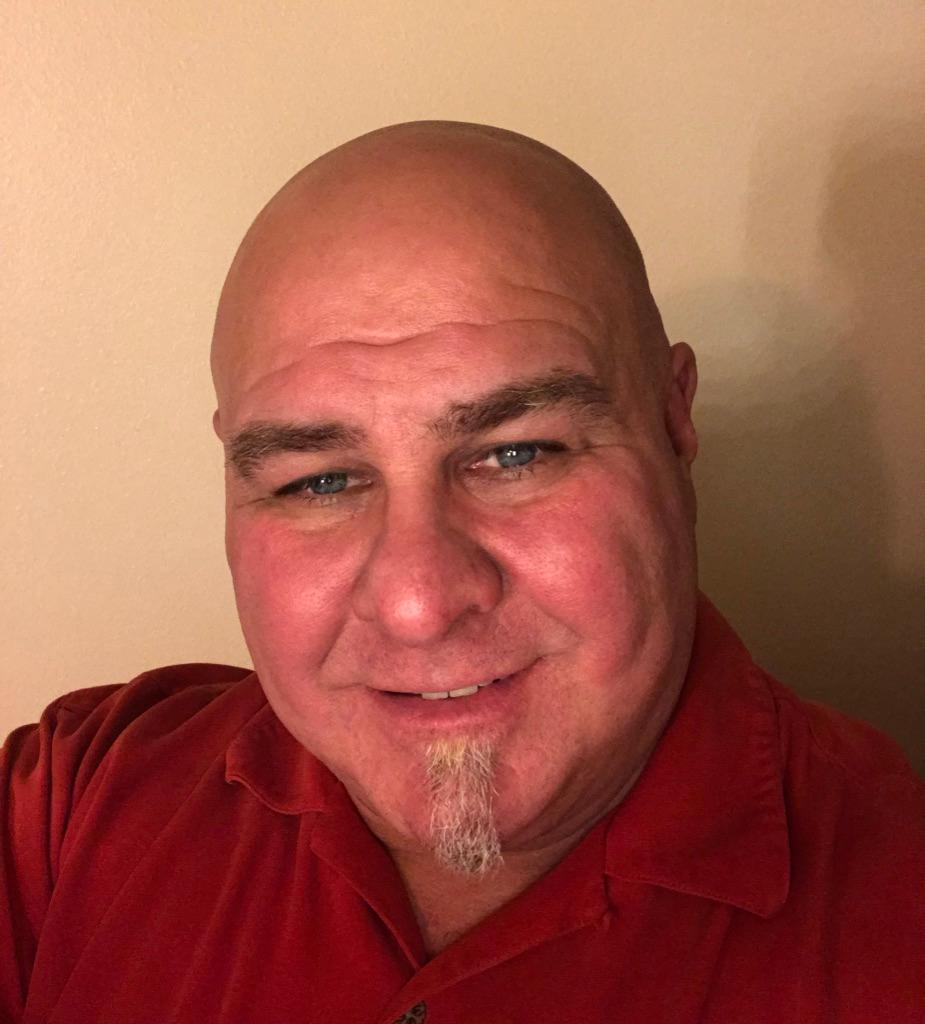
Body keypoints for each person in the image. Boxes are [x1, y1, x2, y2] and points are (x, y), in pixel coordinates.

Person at [1, 122, 922, 1024]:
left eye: (518, 453)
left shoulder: (894, 912)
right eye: (318, 480)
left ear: (673, 422)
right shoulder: (76, 808)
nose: (417, 604)